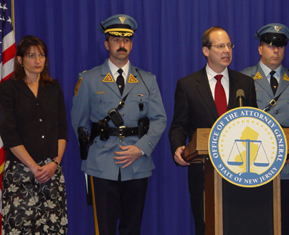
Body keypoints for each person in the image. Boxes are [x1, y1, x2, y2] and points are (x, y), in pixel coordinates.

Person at [71, 14, 167, 235]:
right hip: (102, 163)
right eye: (116, 39)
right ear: (106, 44)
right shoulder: (89, 79)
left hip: (137, 163)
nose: (121, 44)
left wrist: (141, 149)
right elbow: (79, 122)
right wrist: (94, 152)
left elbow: (159, 119)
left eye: (126, 40)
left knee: (132, 228)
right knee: (103, 229)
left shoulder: (147, 80)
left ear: (131, 44)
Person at [168, 26, 257, 235]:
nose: (226, 50)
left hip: (240, 170)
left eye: (229, 45)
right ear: (206, 51)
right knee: (206, 226)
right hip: (203, 170)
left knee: (240, 225)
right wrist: (178, 147)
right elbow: (179, 125)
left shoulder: (245, 83)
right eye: (220, 46)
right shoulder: (188, 85)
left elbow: (255, 124)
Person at [240, 23, 289, 235]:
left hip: (287, 167)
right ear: (260, 49)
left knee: (287, 222)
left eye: (280, 46)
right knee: (254, 223)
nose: (276, 50)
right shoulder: (243, 79)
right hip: (253, 166)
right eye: (270, 45)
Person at [0, 35, 68, 234]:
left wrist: (54, 163)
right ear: (20, 60)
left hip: (51, 171)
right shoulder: (7, 89)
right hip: (20, 173)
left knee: (53, 228)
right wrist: (33, 167)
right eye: (31, 56)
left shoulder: (53, 88)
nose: (38, 60)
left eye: (42, 55)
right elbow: (8, 133)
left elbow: (62, 129)